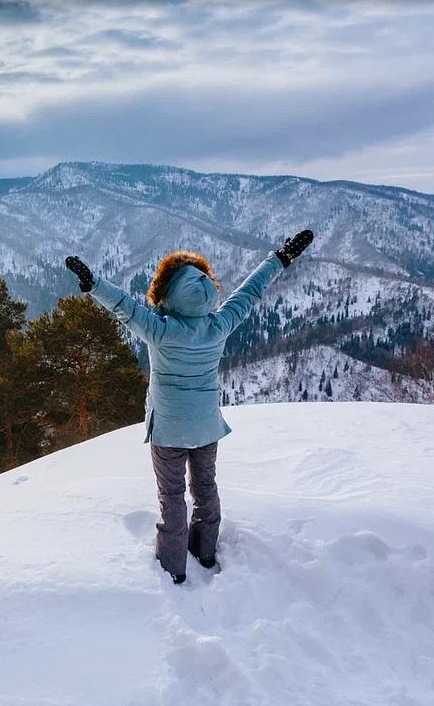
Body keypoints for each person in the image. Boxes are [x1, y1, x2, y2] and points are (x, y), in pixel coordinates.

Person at [64, 230, 313, 584]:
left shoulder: (160, 330)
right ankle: (206, 551)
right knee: (206, 489)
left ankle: (173, 567)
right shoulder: (220, 325)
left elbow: (124, 306)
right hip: (207, 427)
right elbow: (251, 290)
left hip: (168, 428)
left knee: (172, 496)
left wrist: (93, 283)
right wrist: (280, 258)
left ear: (166, 294)